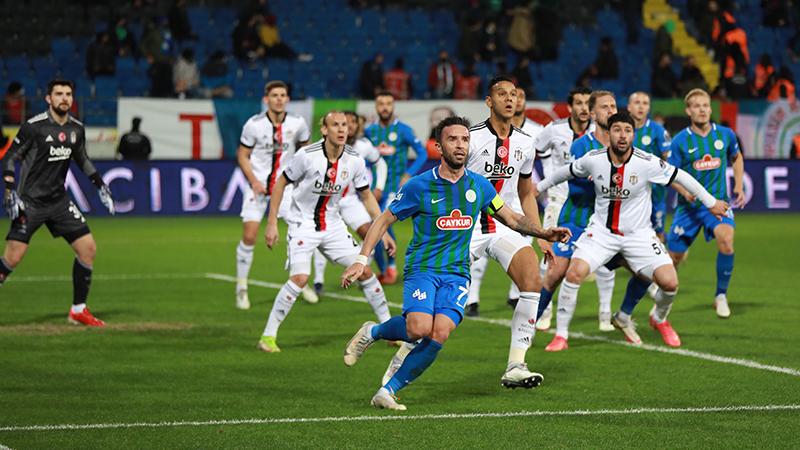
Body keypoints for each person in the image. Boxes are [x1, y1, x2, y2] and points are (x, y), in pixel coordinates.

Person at [340, 116, 571, 411]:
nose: (460, 145)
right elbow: (384, 219)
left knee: (440, 333)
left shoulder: (481, 187)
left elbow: (512, 218)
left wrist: (543, 232)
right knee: (419, 328)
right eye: (452, 140)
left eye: (464, 140)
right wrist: (362, 259)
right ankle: (373, 332)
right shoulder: (419, 186)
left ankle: (387, 391)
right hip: (423, 269)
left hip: (457, 273)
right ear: (439, 146)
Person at [534, 111, 729, 348]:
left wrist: (710, 202)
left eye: (627, 130)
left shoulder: (646, 162)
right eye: (617, 130)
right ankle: (561, 335)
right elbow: (566, 171)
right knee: (574, 273)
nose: (622, 135)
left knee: (670, 283)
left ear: (633, 134)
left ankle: (657, 319)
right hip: (602, 234)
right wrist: (539, 187)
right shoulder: (594, 159)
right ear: (609, 133)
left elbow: (682, 177)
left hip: (639, 236)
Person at [260, 111, 394, 353]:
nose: (342, 129)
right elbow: (281, 183)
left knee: (363, 270)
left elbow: (365, 195)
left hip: (332, 225)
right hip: (302, 223)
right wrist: (271, 223)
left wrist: (381, 229)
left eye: (344, 125)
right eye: (335, 125)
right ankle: (268, 337)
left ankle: (389, 328)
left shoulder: (354, 160)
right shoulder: (307, 156)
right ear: (324, 130)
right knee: (300, 278)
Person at [1, 79, 116, 326]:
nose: (64, 98)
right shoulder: (34, 127)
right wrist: (10, 191)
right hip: (30, 203)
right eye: (59, 94)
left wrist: (100, 185)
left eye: (68, 94)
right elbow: (9, 158)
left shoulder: (76, 129)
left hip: (59, 203)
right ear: (48, 99)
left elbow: (82, 158)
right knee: (12, 259)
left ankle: (78, 310)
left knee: (88, 248)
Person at [538, 90, 621, 351]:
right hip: (577, 217)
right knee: (556, 272)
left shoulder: (624, 143)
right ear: (594, 114)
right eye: (605, 107)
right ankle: (534, 323)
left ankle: (621, 315)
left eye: (613, 106)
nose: (611, 111)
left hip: (610, 222)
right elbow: (574, 185)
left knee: (652, 271)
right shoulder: (580, 146)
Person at [666, 88, 746, 318]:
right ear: (688, 111)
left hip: (718, 205)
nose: (702, 109)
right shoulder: (680, 141)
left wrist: (738, 185)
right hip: (688, 208)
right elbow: (670, 173)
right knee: (675, 257)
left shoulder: (725, 135)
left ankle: (720, 295)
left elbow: (737, 157)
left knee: (727, 240)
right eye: (697, 106)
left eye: (705, 105)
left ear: (710, 109)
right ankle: (666, 280)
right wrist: (684, 191)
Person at [467, 86, 544, 313]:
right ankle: (405, 338)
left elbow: (526, 192)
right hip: (469, 225)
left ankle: (518, 347)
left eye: (514, 94)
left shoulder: (528, 141)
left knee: (532, 283)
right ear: (489, 101)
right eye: (503, 94)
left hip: (507, 223)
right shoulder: (470, 137)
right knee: (441, 297)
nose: (510, 99)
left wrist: (540, 233)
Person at [234, 81, 310, 310]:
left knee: (299, 231)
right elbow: (242, 155)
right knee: (249, 236)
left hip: (285, 188)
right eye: (274, 95)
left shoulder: (298, 123)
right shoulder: (254, 124)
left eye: (283, 95)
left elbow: (306, 152)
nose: (279, 99)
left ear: (287, 99)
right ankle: (241, 287)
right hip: (257, 188)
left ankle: (300, 278)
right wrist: (254, 181)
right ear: (266, 99)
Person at [307, 111, 387, 300]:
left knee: (371, 233)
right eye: (344, 123)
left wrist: (379, 187)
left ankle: (360, 269)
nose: (348, 126)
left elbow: (381, 163)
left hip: (350, 200)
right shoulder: (320, 148)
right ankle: (318, 280)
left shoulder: (364, 146)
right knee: (322, 237)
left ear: (358, 126)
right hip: (327, 201)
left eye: (352, 122)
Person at [364, 91, 427, 284]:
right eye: (381, 103)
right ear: (376, 107)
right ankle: (383, 270)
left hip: (393, 187)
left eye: (388, 103)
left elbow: (422, 153)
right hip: (372, 189)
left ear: (393, 106)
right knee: (372, 226)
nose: (384, 107)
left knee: (384, 221)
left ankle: (390, 267)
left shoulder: (403, 130)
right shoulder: (369, 131)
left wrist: (409, 174)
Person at [628, 92, 672, 240]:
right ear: (629, 107)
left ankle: (663, 261)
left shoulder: (658, 130)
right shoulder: (621, 129)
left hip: (655, 193)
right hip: (628, 192)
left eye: (645, 103)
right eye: (637, 102)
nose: (641, 106)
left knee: (657, 234)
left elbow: (668, 158)